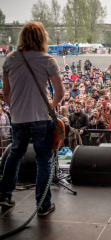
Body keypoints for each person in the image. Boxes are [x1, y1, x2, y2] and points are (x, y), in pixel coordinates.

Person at [0, 22, 64, 216]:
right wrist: (49, 107)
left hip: (18, 119)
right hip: (41, 119)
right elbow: (60, 93)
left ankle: (4, 195)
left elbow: (5, 92)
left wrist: (15, 108)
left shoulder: (10, 59)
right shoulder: (47, 60)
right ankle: (43, 206)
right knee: (44, 161)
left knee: (14, 155)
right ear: (42, 38)